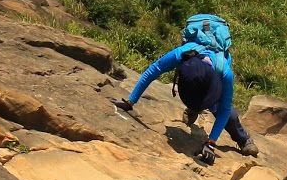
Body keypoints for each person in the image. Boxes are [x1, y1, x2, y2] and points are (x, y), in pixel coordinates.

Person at [111, 17, 259, 165]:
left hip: (214, 71)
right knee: (196, 93)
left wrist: (211, 143)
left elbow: (225, 109)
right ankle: (194, 107)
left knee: (228, 114)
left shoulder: (224, 71)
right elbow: (153, 71)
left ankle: (243, 139)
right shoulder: (181, 54)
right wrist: (130, 102)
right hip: (196, 74)